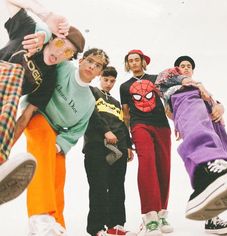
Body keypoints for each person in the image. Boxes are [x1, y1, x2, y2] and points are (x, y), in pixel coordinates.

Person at [0, 0, 85, 205]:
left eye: (68, 53)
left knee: (10, 111)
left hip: (4, 105)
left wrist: (6, 149)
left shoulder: (49, 79)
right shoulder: (28, 31)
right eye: (60, 44)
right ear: (53, 37)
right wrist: (46, 16)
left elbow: (24, 118)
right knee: (15, 73)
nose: (60, 53)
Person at [19, 47, 109, 235]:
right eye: (90, 61)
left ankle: (57, 224)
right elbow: (47, 54)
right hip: (37, 114)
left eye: (97, 66)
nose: (92, 66)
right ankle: (40, 216)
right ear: (81, 60)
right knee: (43, 155)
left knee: (59, 170)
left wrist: (60, 144)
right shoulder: (64, 67)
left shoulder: (90, 101)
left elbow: (77, 131)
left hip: (57, 133)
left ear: (100, 72)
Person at [154, 57, 227, 222]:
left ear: (193, 70)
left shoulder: (201, 87)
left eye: (188, 66)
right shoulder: (174, 81)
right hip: (186, 99)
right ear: (177, 69)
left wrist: (220, 107)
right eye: (182, 66)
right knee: (204, 145)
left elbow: (216, 103)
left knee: (221, 153)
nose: (185, 68)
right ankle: (208, 168)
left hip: (212, 119)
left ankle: (209, 206)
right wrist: (193, 83)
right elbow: (161, 80)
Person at [120, 49, 173, 236]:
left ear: (143, 62)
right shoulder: (124, 86)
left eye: (136, 60)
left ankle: (162, 213)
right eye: (130, 61)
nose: (133, 63)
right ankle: (150, 216)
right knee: (147, 164)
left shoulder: (155, 79)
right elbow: (125, 114)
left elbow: (168, 101)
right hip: (139, 125)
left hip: (161, 125)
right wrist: (127, 141)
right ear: (128, 64)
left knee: (163, 167)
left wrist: (178, 122)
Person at [83, 66, 135, 236]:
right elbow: (91, 114)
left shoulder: (116, 102)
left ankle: (116, 225)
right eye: (106, 79)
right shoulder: (91, 92)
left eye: (112, 81)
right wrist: (106, 131)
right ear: (100, 78)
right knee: (99, 187)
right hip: (97, 146)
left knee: (117, 187)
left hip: (118, 149)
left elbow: (122, 124)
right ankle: (96, 228)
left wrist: (128, 145)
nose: (109, 83)